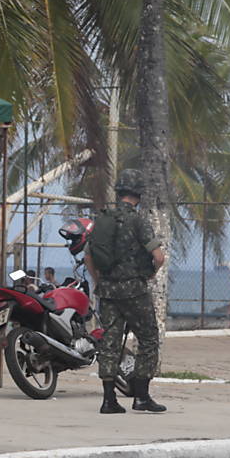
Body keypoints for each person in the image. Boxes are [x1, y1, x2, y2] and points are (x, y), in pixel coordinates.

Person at [85, 168, 166, 415]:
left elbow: (89, 257)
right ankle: (141, 396)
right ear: (138, 195)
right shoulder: (139, 220)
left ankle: (109, 400)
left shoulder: (103, 219)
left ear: (119, 192)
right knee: (149, 339)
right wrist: (149, 274)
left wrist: (99, 280)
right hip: (134, 291)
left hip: (108, 292)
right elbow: (159, 257)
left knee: (110, 343)